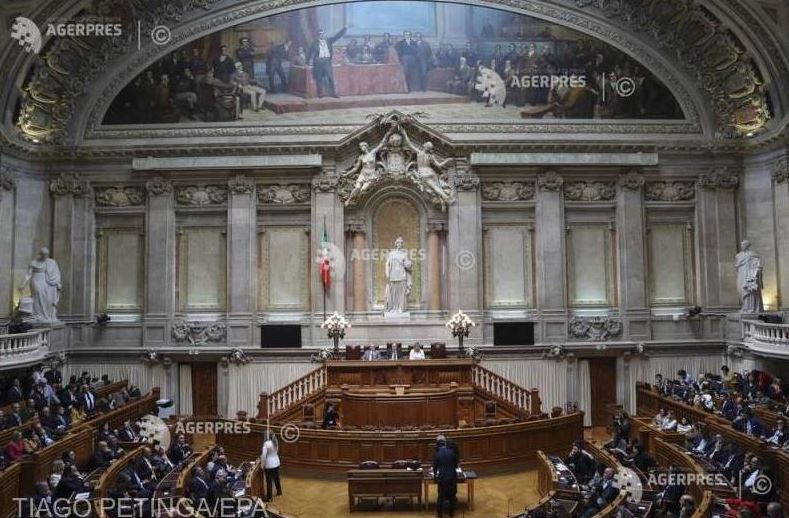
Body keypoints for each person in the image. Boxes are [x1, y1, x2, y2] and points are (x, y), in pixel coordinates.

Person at [307, 27, 347, 98]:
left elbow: (337, 36)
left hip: (327, 62)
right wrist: (306, 63)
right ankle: (320, 94)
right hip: (318, 62)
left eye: (322, 34)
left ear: (324, 34)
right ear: (317, 35)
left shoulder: (328, 41)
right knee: (319, 78)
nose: (321, 35)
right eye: (319, 34)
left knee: (330, 78)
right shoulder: (314, 43)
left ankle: (333, 93)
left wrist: (345, 28)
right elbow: (309, 53)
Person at [433, 436, 458, 518]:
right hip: (452, 477)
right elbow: (456, 465)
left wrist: (435, 474)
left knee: (441, 496)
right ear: (445, 444)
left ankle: (440, 514)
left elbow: (435, 467)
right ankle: (451, 513)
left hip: (442, 477)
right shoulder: (452, 452)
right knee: (452, 496)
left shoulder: (437, 454)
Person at [261, 432, 282, 501]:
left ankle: (269, 497)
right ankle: (279, 491)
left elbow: (264, 455)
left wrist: (262, 465)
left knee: (269, 481)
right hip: (276, 462)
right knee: (276, 478)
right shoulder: (275, 442)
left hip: (269, 464)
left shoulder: (266, 444)